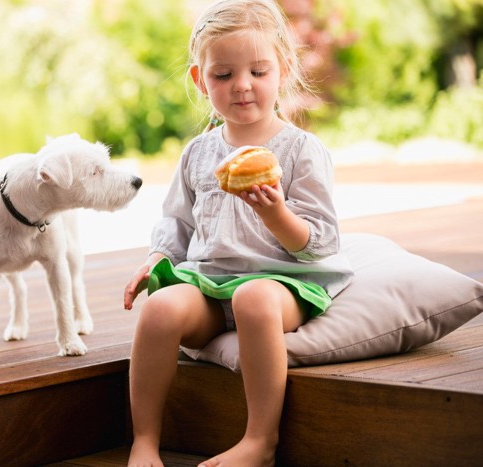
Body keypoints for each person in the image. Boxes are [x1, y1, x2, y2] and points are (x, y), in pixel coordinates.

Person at [122, 1, 354, 466]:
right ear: (199, 80)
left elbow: (321, 240)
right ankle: (144, 441)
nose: (242, 85)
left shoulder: (299, 151)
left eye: (258, 71)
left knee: (253, 297)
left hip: (284, 282)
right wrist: (155, 259)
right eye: (223, 75)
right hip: (211, 281)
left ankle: (259, 441)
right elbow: (177, 222)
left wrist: (277, 216)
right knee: (160, 310)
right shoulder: (199, 153)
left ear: (283, 70)